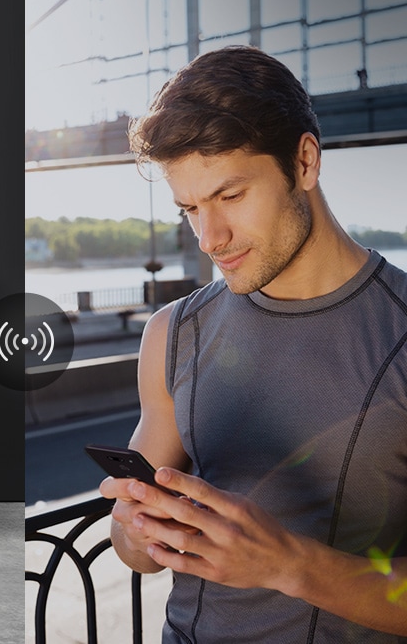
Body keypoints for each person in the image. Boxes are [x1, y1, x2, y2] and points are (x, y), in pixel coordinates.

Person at [99, 44, 407, 642]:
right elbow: (132, 549)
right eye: (190, 208)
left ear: (305, 163)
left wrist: (291, 567)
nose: (210, 237)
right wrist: (134, 530)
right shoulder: (171, 332)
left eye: (230, 196)